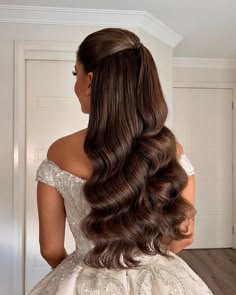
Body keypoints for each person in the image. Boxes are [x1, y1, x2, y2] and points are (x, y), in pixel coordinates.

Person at [29, 28, 213, 294]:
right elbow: (182, 236)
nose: (75, 84)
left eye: (75, 73)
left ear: (90, 81)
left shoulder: (60, 152)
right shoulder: (171, 151)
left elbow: (50, 248)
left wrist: (77, 276)